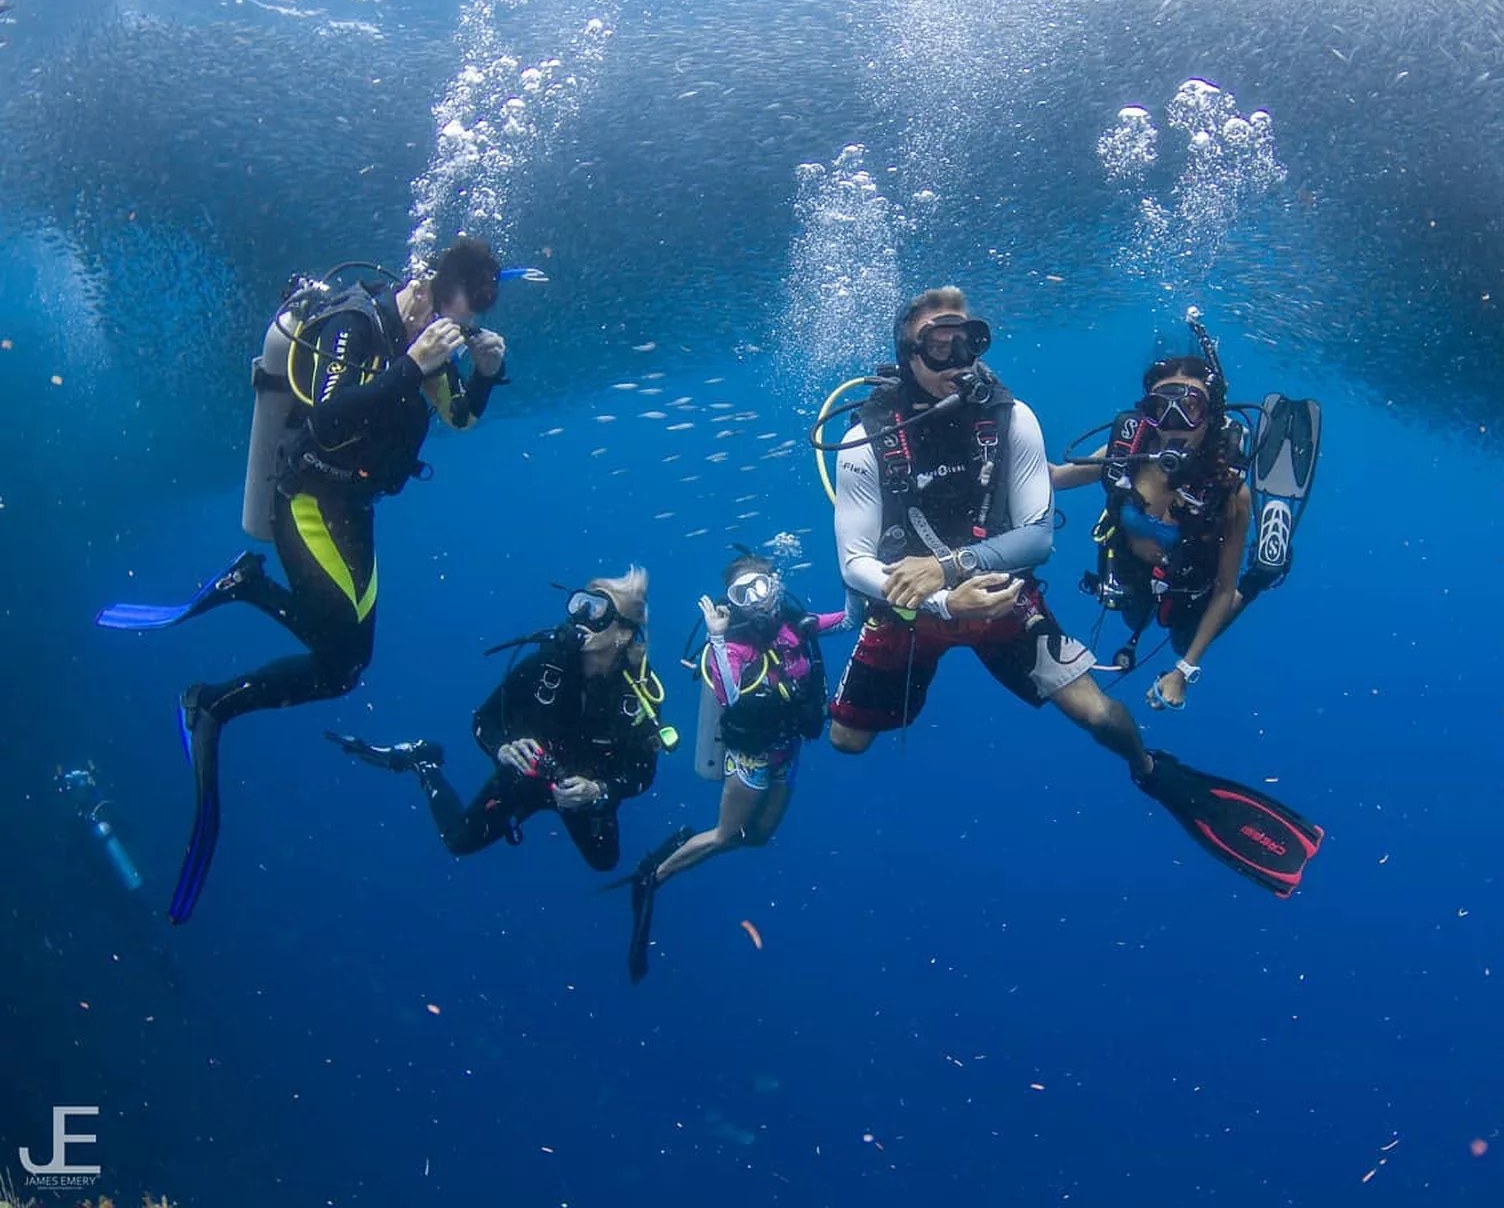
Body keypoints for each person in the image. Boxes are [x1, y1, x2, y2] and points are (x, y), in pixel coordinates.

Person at [816, 286, 1323, 898]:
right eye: (939, 346)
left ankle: (1150, 770)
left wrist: (952, 568)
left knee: (1099, 714)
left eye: (970, 342)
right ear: (907, 355)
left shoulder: (1011, 417)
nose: (959, 362)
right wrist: (945, 598)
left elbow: (1035, 541)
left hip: (1002, 596)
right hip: (909, 606)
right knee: (846, 741)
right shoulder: (863, 437)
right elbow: (854, 562)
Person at [95, 237, 509, 923]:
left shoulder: (430, 338)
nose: (445, 334)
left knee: (348, 667)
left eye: (460, 326)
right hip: (308, 501)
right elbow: (326, 415)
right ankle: (214, 700)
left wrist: (485, 372)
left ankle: (244, 602)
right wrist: (413, 362)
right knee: (339, 647)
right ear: (424, 289)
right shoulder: (357, 323)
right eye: (445, 318)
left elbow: (460, 415)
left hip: (356, 509)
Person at [1049, 315, 1320, 711]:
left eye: (1190, 408)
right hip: (1131, 575)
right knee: (1132, 618)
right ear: (1147, 413)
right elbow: (1055, 478)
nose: (1175, 424)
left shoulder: (1230, 492)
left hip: (1192, 582)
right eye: (1161, 408)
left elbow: (1224, 589)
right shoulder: (1127, 455)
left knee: (1181, 638)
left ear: (1210, 416)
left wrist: (1183, 671)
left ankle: (1263, 572)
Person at [328, 569, 673, 871]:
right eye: (582, 604)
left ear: (623, 634)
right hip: (526, 775)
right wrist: (503, 749)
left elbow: (643, 772)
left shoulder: (639, 694)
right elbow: (483, 720)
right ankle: (424, 762)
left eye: (598, 612)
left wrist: (598, 791)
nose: (582, 618)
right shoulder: (544, 666)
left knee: (604, 861)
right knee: (459, 840)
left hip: (582, 791)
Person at [617, 551, 850, 982]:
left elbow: (848, 620)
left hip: (788, 751)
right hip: (752, 758)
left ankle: (684, 846)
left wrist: (869, 589)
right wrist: (719, 638)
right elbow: (729, 695)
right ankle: (653, 876)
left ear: (776, 584)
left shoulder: (796, 626)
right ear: (734, 600)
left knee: (757, 837)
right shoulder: (734, 645)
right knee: (726, 835)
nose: (757, 599)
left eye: (762, 585)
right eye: (744, 592)